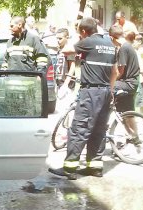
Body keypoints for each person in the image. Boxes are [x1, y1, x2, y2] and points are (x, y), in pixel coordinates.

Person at [49, 17, 117, 180]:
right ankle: (95, 167)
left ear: (84, 32)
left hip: (90, 92)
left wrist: (77, 37)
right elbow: (115, 72)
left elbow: (65, 50)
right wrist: (111, 90)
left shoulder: (88, 42)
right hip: (106, 91)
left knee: (80, 128)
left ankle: (70, 168)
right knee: (99, 130)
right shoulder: (110, 44)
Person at [55, 28, 76, 102]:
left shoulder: (69, 49)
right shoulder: (60, 49)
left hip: (66, 84)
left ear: (67, 38)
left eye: (60, 38)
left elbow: (72, 67)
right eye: (57, 38)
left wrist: (66, 84)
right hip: (59, 82)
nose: (58, 40)